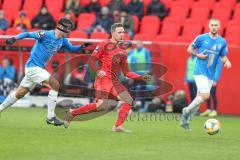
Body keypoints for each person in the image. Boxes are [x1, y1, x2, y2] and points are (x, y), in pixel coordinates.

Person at [61, 23, 151, 132]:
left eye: (123, 32)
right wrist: (98, 71)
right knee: (101, 107)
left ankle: (117, 126)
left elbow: (127, 73)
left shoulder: (123, 52)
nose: (122, 34)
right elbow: (92, 61)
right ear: (113, 33)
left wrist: (141, 77)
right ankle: (71, 113)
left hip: (114, 81)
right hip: (103, 80)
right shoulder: (104, 44)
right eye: (119, 32)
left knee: (128, 100)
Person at [0, 18, 88, 126]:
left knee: (20, 93)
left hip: (38, 69)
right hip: (33, 67)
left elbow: (72, 49)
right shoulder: (45, 34)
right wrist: (14, 38)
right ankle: (50, 117)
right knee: (55, 84)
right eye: (68, 29)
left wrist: (82, 46)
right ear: (61, 27)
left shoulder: (63, 41)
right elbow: (28, 34)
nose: (69, 31)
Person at [180, 18, 231, 131]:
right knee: (206, 95)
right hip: (200, 71)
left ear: (219, 27)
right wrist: (198, 55)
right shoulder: (201, 38)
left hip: (210, 75)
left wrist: (227, 61)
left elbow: (223, 56)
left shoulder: (222, 41)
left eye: (216, 25)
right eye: (212, 25)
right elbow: (189, 49)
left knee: (200, 99)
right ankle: (186, 110)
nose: (214, 27)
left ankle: (185, 122)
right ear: (209, 26)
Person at [127, 40, 152, 111]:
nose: (139, 45)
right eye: (138, 43)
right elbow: (130, 63)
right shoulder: (133, 52)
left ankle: (143, 107)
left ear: (142, 44)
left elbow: (149, 62)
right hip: (134, 75)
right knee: (132, 90)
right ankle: (132, 106)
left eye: (140, 43)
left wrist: (147, 73)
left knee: (142, 91)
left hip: (143, 74)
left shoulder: (146, 51)